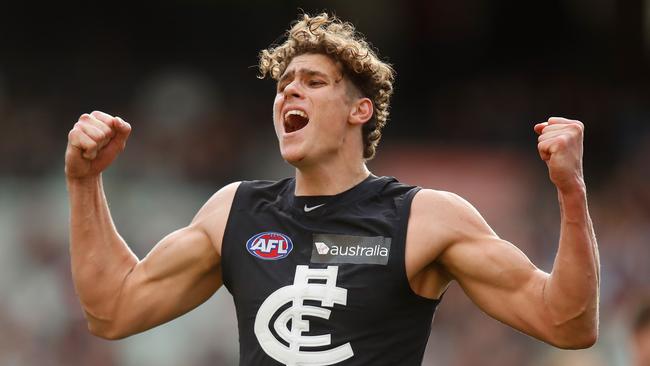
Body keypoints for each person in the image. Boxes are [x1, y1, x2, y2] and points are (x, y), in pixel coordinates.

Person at [65, 13, 599, 366]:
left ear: (358, 111)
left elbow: (567, 323)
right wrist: (84, 181)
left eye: (313, 82)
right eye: (283, 85)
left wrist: (571, 194)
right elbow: (113, 310)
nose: (290, 90)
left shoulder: (426, 219)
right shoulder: (236, 211)